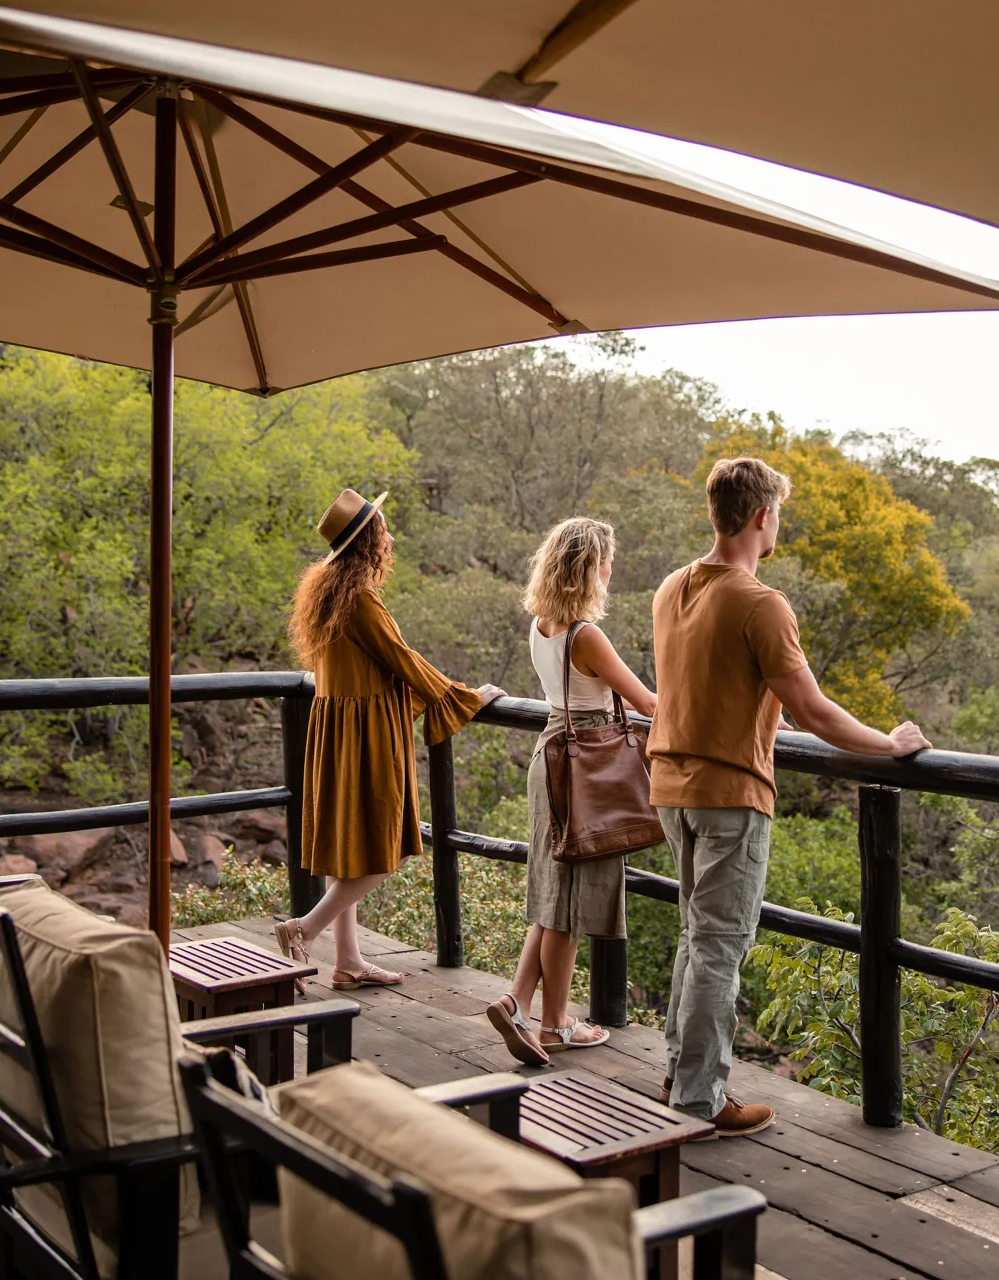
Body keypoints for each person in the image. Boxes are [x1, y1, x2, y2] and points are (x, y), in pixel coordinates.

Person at [650, 457, 931, 1135]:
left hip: (670, 787)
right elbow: (811, 711)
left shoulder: (671, 587)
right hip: (729, 792)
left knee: (698, 938)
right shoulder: (759, 602)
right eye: (779, 511)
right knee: (719, 944)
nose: (780, 522)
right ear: (760, 516)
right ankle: (698, 1100)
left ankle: (681, 1076)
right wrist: (889, 744)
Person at [274, 488, 502, 990]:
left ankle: (348, 962)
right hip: (365, 734)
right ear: (366, 542)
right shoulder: (358, 599)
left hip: (337, 731)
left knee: (349, 846)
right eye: (383, 529)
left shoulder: (329, 593)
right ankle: (303, 929)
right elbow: (402, 659)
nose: (391, 537)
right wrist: (463, 696)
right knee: (386, 848)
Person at [486, 518, 659, 1066]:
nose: (612, 569)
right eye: (607, 560)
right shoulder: (586, 634)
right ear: (592, 567)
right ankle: (557, 1024)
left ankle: (517, 1001)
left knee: (552, 886)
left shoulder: (543, 625)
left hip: (551, 756)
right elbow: (647, 704)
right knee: (565, 900)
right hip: (586, 767)